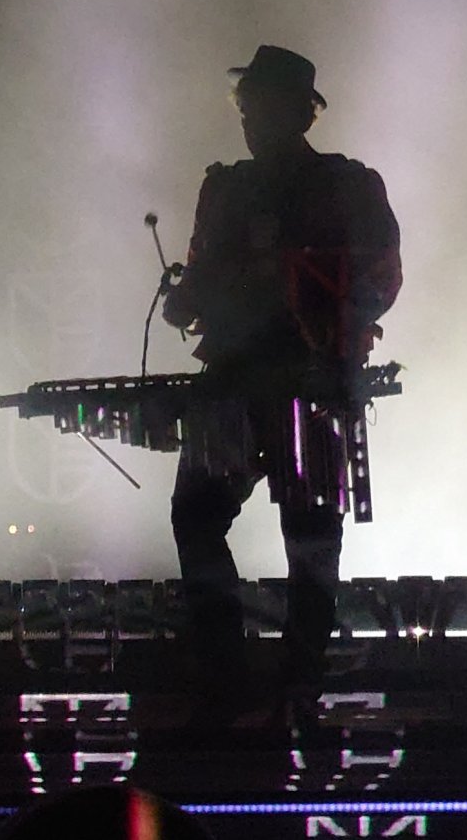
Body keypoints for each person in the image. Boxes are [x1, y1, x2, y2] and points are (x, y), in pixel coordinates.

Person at [162, 45, 401, 722]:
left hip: (307, 377)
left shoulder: (347, 184)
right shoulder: (227, 188)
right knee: (206, 519)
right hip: (246, 378)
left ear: (300, 112)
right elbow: (200, 272)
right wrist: (186, 299)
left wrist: (331, 322)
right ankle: (240, 673)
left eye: (260, 108)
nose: (249, 121)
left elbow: (381, 275)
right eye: (246, 109)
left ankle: (285, 679)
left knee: (306, 532)